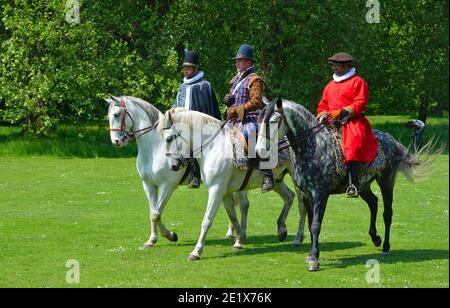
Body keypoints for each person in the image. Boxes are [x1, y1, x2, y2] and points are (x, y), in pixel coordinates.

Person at [316, 52, 378, 198]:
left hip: (352, 121)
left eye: (336, 66)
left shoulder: (358, 82)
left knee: (353, 143)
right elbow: (322, 104)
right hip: (331, 122)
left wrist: (342, 112)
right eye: (333, 66)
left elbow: (360, 103)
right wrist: (323, 113)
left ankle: (353, 183)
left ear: (345, 66)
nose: (334, 69)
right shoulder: (330, 85)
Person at [223, 44, 274, 193]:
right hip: (234, 119)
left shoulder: (255, 80)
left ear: (249, 62)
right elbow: (235, 100)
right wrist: (228, 101)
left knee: (250, 133)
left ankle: (267, 174)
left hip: (251, 117)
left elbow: (256, 102)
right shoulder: (234, 81)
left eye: (241, 60)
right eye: (237, 60)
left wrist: (237, 109)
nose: (237, 63)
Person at [173, 51, 221, 188]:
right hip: (181, 123)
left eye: (188, 68)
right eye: (184, 68)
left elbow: (204, 108)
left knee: (192, 140)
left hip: (199, 125)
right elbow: (177, 104)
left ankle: (195, 175)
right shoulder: (182, 87)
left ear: (195, 69)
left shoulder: (203, 85)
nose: (186, 71)